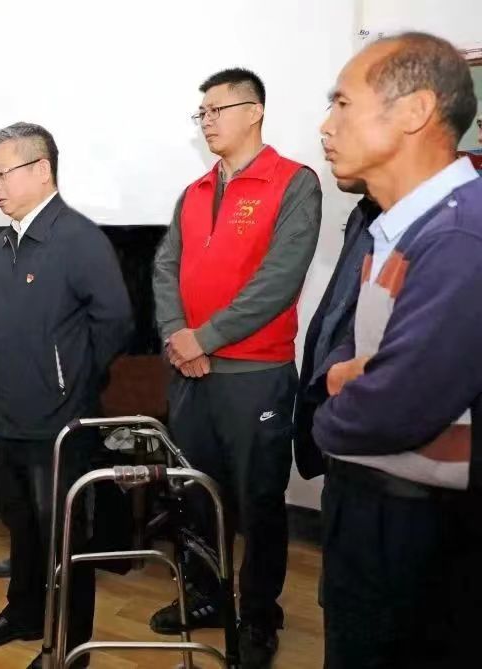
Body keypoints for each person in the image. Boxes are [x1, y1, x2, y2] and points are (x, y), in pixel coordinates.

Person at [315, 31, 482, 668]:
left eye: (342, 103)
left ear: (414, 111)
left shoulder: (459, 235)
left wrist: (328, 412)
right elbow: (350, 353)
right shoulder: (400, 223)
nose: (326, 125)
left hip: (420, 535)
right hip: (375, 512)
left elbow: (393, 408)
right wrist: (350, 377)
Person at [152, 68, 321, 668]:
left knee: (259, 501)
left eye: (216, 109)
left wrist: (205, 337)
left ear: (254, 111)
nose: (207, 121)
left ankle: (259, 615)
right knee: (196, 492)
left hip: (255, 375)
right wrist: (178, 336)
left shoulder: (294, 182)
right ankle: (205, 594)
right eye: (201, 112)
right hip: (190, 373)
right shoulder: (195, 191)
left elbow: (279, 281)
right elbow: (165, 266)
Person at [0, 122, 132, 669]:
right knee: (23, 528)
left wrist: (72, 381)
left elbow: (116, 321)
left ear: (41, 170)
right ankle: (24, 614)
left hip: (59, 422)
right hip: (8, 415)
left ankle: (70, 647)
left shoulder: (79, 238)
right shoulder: (3, 243)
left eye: (2, 173)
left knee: (65, 538)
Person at [293, 179, 381, 479]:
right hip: (338, 416)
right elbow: (337, 311)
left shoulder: (448, 225)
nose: (327, 158)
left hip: (382, 444)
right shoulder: (364, 214)